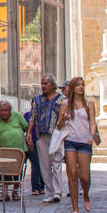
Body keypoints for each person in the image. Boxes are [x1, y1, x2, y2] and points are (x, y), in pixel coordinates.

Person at [59, 76, 100, 213]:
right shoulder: (64, 104)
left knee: (85, 176)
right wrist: (63, 119)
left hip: (84, 141)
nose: (81, 87)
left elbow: (93, 122)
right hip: (70, 141)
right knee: (72, 173)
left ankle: (86, 195)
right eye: (78, 85)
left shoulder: (89, 104)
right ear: (72, 88)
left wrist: (92, 135)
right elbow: (59, 126)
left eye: (82, 85)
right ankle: (75, 207)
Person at [26, 74, 66, 204]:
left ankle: (58, 192)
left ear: (52, 84)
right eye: (42, 84)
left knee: (56, 162)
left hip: (56, 135)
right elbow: (33, 116)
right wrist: (29, 133)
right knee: (44, 165)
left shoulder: (62, 100)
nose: (43, 86)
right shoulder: (38, 99)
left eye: (46, 83)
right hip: (41, 135)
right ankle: (50, 192)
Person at [0, 100, 28, 202]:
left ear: (10, 110)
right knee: (3, 172)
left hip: (20, 151)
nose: (3, 113)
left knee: (18, 172)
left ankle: (15, 192)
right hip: (4, 152)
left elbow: (26, 127)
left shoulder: (17, 116)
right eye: (0, 110)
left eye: (5, 110)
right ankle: (5, 193)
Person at [23, 107, 45, 195]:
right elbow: (24, 128)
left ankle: (41, 186)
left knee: (41, 164)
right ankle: (36, 187)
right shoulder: (27, 115)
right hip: (31, 141)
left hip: (41, 141)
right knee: (36, 164)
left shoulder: (43, 116)